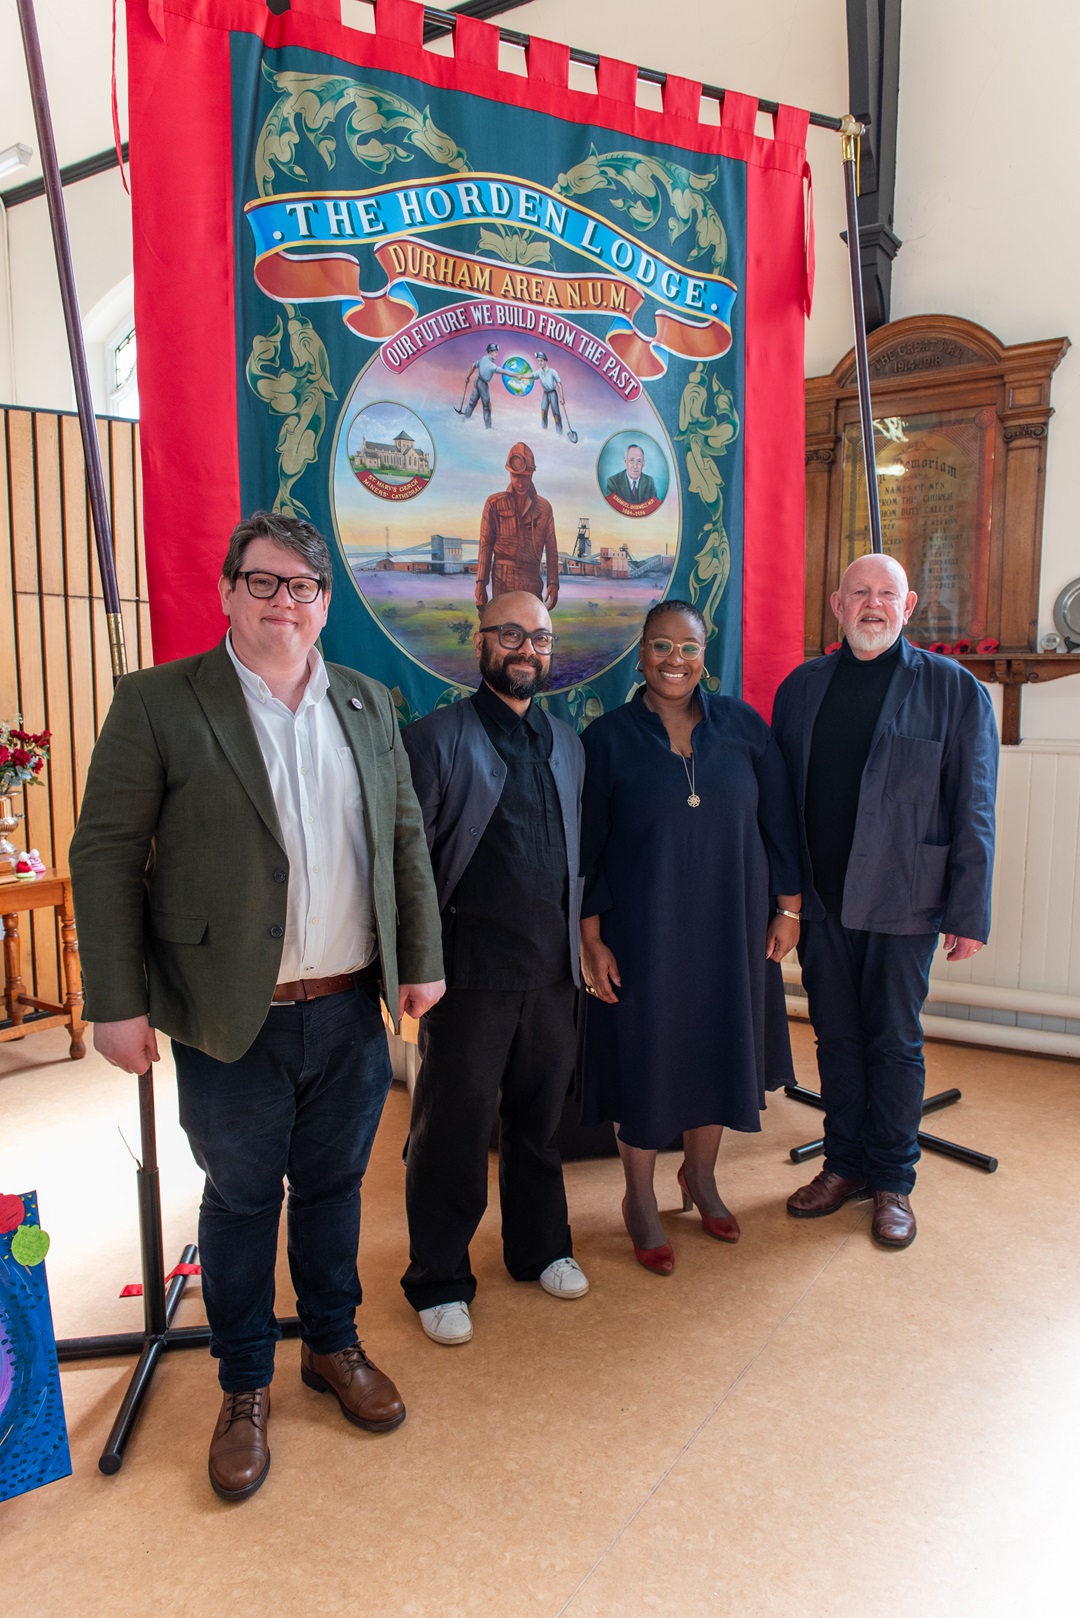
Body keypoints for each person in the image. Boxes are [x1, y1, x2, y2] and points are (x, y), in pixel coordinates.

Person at [69, 511, 444, 1502]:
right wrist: (114, 999)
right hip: (227, 1015)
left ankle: (331, 1344)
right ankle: (243, 1384)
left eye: (305, 587)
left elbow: (404, 841)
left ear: (326, 603)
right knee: (242, 1200)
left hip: (349, 1012)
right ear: (228, 590)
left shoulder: (369, 701)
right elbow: (104, 852)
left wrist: (422, 959)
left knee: (332, 1191)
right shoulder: (159, 702)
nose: (287, 603)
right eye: (267, 583)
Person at [771, 553, 998, 1248]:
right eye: (860, 592)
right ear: (837, 605)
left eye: (887, 594)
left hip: (907, 900)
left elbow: (975, 805)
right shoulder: (801, 688)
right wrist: (783, 903)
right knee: (836, 1038)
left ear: (909, 607)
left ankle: (893, 1179)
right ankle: (844, 1166)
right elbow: (780, 804)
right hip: (823, 901)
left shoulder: (956, 692)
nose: (873, 604)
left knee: (894, 1042)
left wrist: (968, 909)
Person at [579, 601, 803, 1274]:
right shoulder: (607, 738)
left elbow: (780, 823)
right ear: (640, 653)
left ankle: (700, 1178)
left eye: (688, 647)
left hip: (733, 924)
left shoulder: (743, 727)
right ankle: (640, 1196)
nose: (675, 660)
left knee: (718, 1053)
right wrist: (591, 939)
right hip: (643, 930)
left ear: (707, 654)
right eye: (660, 647)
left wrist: (788, 910)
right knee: (646, 1060)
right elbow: (587, 848)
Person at [400, 591, 589, 1343]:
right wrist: (416, 965)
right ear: (479, 644)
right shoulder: (437, 739)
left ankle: (539, 1247)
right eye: (510, 633)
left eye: (539, 638)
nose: (526, 648)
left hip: (551, 974)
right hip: (468, 975)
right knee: (453, 1128)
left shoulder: (569, 743)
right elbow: (406, 867)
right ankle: (438, 1278)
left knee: (540, 1125)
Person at [475, 442, 560, 611]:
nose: (520, 483)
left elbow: (552, 550)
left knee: (532, 629)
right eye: (515, 476)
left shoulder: (544, 508)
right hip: (502, 579)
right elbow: (485, 545)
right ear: (509, 473)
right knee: (503, 630)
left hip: (532, 581)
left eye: (525, 477)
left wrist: (553, 582)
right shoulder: (494, 504)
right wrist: (480, 584)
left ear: (532, 474)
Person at [461, 341, 507, 429]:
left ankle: (465, 419)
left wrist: (468, 376)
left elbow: (473, 365)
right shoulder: (491, 365)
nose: (497, 354)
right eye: (495, 352)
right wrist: (516, 375)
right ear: (490, 352)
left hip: (477, 381)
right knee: (486, 407)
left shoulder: (482, 359)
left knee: (472, 403)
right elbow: (503, 371)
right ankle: (488, 427)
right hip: (483, 385)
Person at [533, 350, 565, 434]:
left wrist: (562, 398)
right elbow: (531, 376)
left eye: (541, 361)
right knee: (543, 412)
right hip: (545, 394)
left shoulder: (552, 371)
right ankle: (544, 432)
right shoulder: (539, 372)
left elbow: (559, 385)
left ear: (545, 361)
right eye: (538, 361)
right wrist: (521, 376)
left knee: (556, 414)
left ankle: (559, 433)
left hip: (553, 394)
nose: (540, 363)